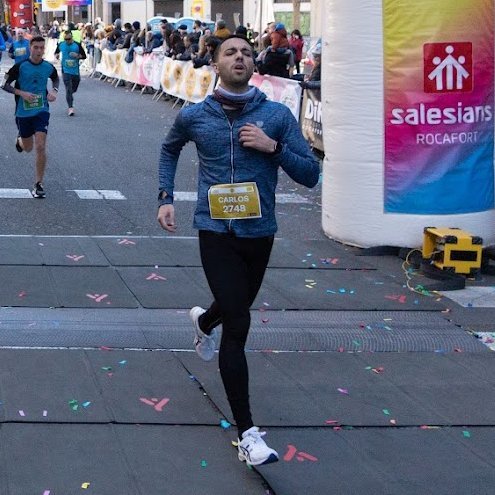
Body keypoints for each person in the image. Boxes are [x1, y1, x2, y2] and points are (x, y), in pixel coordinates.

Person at [157, 35, 320, 466]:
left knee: (233, 309)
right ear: (215, 63)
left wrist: (273, 147)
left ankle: (203, 321)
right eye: (230, 52)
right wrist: (165, 196)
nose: (240, 57)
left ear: (254, 65)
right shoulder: (195, 115)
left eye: (246, 52)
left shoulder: (276, 116)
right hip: (215, 232)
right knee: (239, 323)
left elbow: (310, 174)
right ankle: (249, 435)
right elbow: (169, 149)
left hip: (259, 233)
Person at [2, 35, 59, 198]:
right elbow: (4, 85)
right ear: (30, 48)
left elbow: (55, 79)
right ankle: (20, 140)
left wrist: (54, 91)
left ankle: (39, 183)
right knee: (28, 148)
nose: (39, 51)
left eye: (42, 48)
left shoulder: (48, 66)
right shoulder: (20, 67)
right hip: (23, 112)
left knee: (40, 146)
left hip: (41, 111)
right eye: (36, 47)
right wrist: (22, 93)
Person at [55, 30, 86, 116]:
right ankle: (70, 108)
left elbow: (84, 56)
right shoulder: (61, 44)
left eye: (69, 39)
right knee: (68, 88)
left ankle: (69, 94)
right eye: (65, 39)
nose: (67, 41)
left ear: (72, 37)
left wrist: (77, 56)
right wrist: (57, 55)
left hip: (75, 71)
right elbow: (56, 52)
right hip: (65, 70)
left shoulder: (77, 45)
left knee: (74, 88)